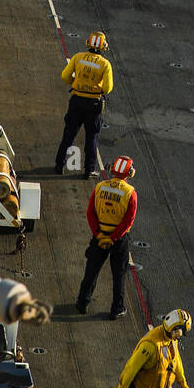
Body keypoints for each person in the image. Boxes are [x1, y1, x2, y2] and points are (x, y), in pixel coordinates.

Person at [76, 156, 137, 320]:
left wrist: (99, 234)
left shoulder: (100, 187)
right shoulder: (130, 193)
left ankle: (82, 302)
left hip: (99, 236)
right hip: (118, 241)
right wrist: (114, 237)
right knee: (119, 275)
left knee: (92, 270)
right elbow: (128, 220)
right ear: (129, 173)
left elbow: (90, 213)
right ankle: (117, 308)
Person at [54, 32, 113, 178]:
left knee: (69, 134)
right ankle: (89, 170)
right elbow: (107, 88)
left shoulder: (78, 57)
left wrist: (77, 82)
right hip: (93, 104)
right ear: (103, 47)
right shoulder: (105, 64)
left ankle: (59, 165)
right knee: (91, 138)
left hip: (76, 101)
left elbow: (65, 76)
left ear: (88, 43)